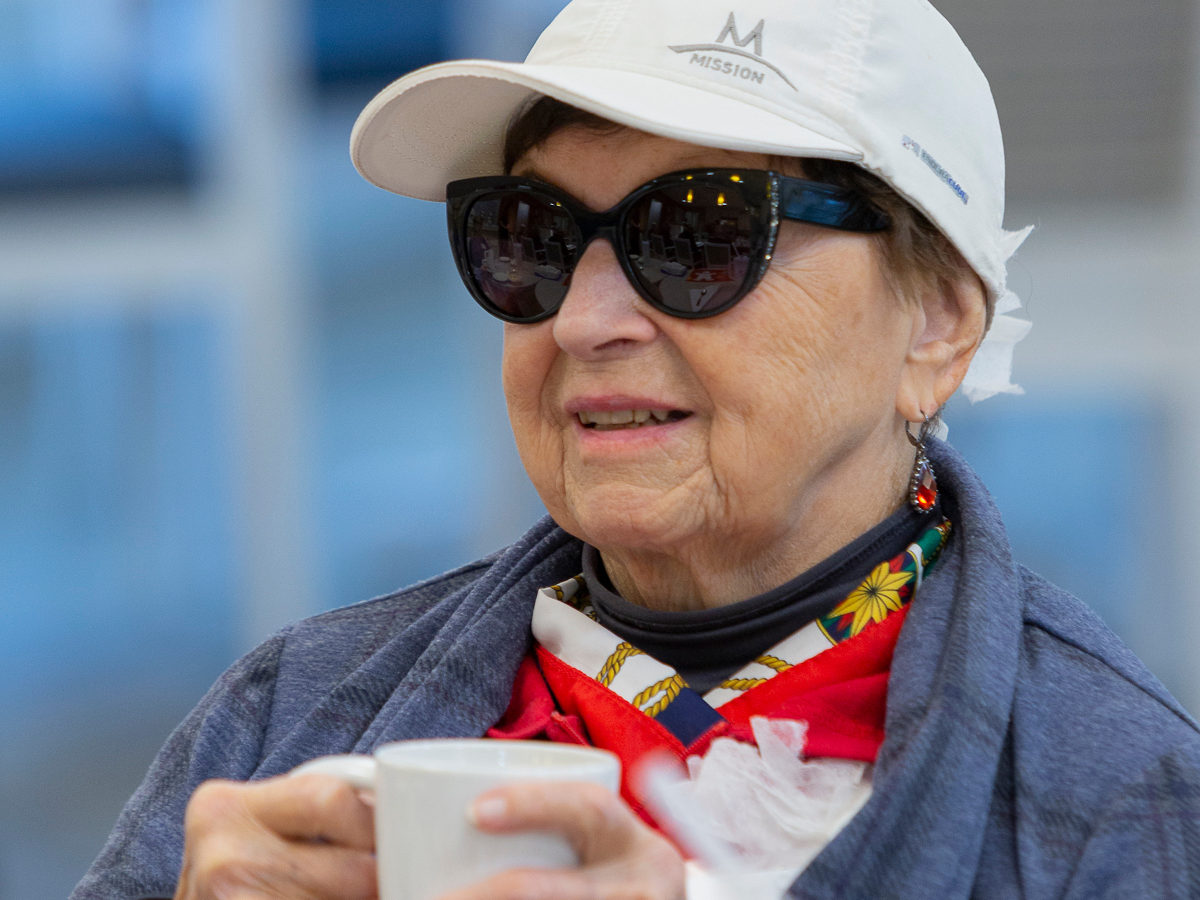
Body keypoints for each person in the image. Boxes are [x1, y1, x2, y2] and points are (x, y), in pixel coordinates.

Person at [74, 0, 1200, 897]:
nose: (580, 320)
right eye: (529, 238)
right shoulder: (288, 721)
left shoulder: (1115, 800)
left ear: (938, 322)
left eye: (699, 236)